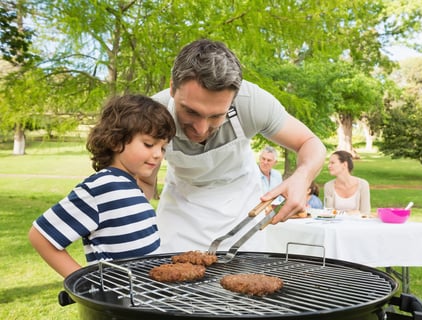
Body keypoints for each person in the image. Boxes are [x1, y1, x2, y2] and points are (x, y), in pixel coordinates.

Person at [145, 39, 326, 253]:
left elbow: (310, 143)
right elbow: (143, 181)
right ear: (173, 88)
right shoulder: (153, 115)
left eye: (216, 116)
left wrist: (302, 177)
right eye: (191, 112)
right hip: (180, 209)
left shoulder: (252, 103)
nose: (201, 129)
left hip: (242, 211)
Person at [28, 94, 176, 278]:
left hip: (143, 299)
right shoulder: (102, 187)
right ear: (115, 141)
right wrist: (85, 282)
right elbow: (40, 236)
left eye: (163, 148)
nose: (158, 154)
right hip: (117, 303)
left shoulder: (131, 186)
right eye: (148, 144)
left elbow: (148, 187)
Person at [323, 150, 371, 215]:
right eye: (329, 163)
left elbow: (365, 213)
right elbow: (328, 213)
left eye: (332, 163)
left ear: (344, 165)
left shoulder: (363, 184)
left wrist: (338, 213)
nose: (329, 166)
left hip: (357, 224)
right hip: (335, 224)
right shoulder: (328, 186)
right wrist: (350, 213)